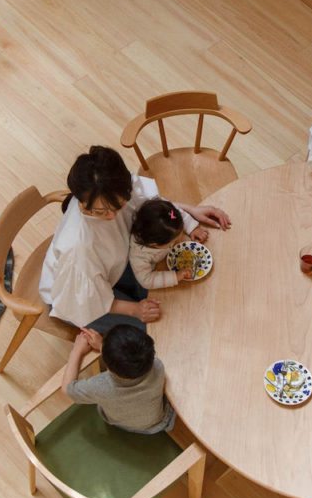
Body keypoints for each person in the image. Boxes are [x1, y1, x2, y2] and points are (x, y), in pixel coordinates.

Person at [39, 145, 230, 332]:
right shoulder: (79, 247)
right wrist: (135, 310)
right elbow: (85, 300)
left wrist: (189, 213)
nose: (111, 216)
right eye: (100, 211)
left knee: (167, 299)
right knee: (157, 328)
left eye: (119, 206)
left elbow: (153, 206)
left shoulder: (118, 186)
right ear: (82, 201)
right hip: (76, 296)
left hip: (112, 266)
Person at [61, 324, 174, 434]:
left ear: (108, 368)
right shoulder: (158, 366)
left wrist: (77, 351)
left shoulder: (100, 387)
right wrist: (102, 346)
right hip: (161, 422)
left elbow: (66, 390)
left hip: (123, 425)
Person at [129, 198, 196, 289]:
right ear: (154, 244)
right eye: (174, 241)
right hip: (156, 269)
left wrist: (192, 228)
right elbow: (146, 280)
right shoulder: (139, 255)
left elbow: (177, 213)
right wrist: (176, 276)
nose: (178, 239)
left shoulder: (169, 214)